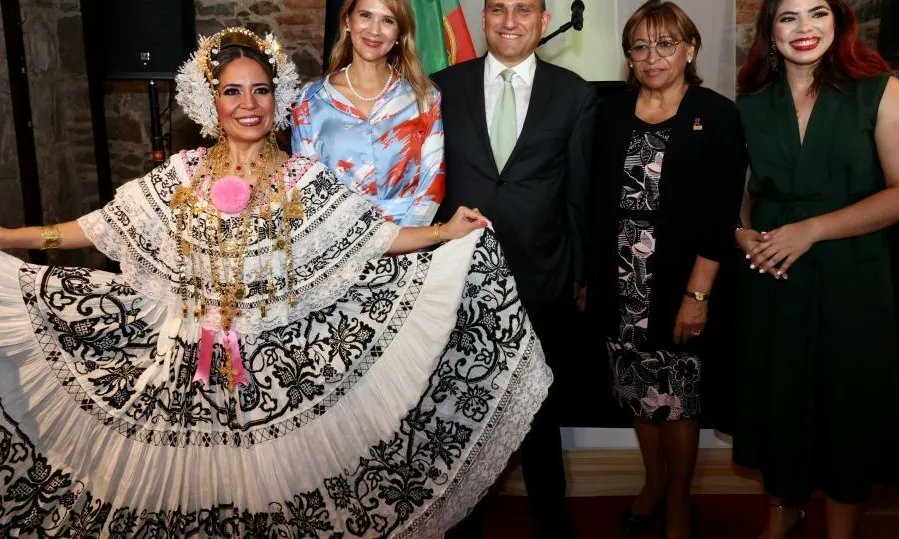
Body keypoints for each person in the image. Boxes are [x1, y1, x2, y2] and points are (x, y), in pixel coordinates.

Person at [0, 27, 554, 536]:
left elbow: (372, 237)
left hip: (272, 377)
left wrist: (441, 232)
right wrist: (11, 236)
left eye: (261, 91)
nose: (249, 104)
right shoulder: (181, 176)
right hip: (185, 372)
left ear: (277, 98)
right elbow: (100, 226)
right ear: (211, 102)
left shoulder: (303, 179)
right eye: (233, 92)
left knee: (269, 507)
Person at [733, 0, 899, 539]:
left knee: (847, 407)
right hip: (773, 276)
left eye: (817, 13)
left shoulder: (880, 89)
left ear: (838, 21)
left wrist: (811, 229)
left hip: (852, 276)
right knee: (779, 402)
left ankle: (840, 530)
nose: (804, 28)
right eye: (788, 17)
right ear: (771, 33)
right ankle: (782, 512)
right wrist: (741, 232)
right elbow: (741, 194)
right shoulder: (750, 102)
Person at [433, 0, 597, 538]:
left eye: (523, 10)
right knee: (460, 405)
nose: (510, 21)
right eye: (498, 9)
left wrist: (579, 273)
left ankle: (552, 514)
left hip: (542, 277)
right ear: (482, 17)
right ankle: (458, 518)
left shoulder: (574, 94)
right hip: (457, 278)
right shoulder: (440, 88)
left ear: (544, 20)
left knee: (540, 405)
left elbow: (579, 193)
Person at [586, 0, 746, 539]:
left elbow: (721, 214)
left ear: (690, 49)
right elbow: (594, 200)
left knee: (677, 401)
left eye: (665, 44)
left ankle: (678, 499)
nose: (652, 56)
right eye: (639, 46)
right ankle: (652, 483)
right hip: (619, 282)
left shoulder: (716, 115)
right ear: (628, 57)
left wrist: (697, 296)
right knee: (637, 391)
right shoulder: (610, 113)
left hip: (679, 283)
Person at [291, 0, 444, 226]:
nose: (374, 30)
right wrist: (355, 240)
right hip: (337, 240)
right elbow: (306, 190)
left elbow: (432, 185)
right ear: (347, 21)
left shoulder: (424, 99)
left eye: (387, 20)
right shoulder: (310, 102)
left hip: (410, 240)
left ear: (399, 33)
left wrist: (399, 241)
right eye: (365, 15)